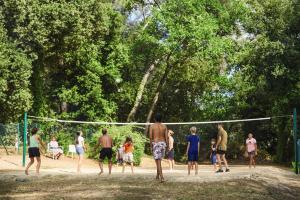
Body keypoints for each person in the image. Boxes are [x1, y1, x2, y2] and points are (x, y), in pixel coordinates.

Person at [149, 113, 168, 182]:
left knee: (158, 161)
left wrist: (151, 146)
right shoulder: (164, 126)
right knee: (158, 160)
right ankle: (157, 175)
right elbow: (166, 137)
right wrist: (167, 146)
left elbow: (151, 137)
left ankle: (162, 177)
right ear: (161, 119)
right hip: (163, 143)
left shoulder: (152, 126)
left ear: (155, 119)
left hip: (156, 143)